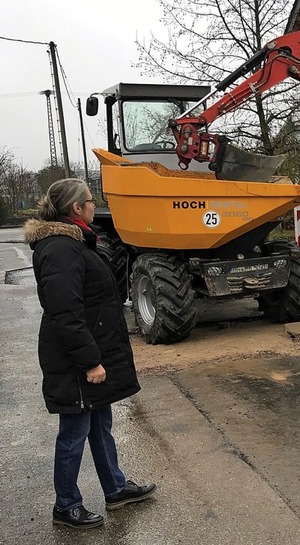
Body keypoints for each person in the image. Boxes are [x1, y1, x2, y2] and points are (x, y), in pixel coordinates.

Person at [24, 178, 156, 530]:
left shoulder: (75, 241)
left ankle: (114, 488)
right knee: (74, 431)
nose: (92, 204)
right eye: (88, 200)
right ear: (75, 209)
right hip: (74, 360)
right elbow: (64, 312)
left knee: (100, 423)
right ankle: (65, 505)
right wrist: (90, 362)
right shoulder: (59, 248)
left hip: (91, 349)